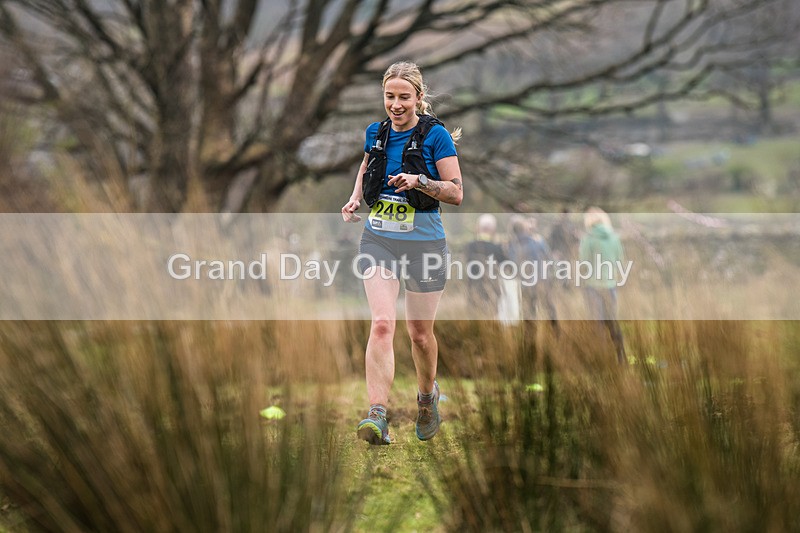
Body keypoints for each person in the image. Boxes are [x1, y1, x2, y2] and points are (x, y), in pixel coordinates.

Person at [341, 61, 463, 445]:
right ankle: (377, 413)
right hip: (379, 239)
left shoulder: (436, 136)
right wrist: (356, 197)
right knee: (381, 323)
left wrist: (420, 181)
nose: (395, 104)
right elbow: (367, 164)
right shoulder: (375, 132)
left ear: (418, 98)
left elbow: (457, 192)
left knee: (420, 334)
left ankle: (427, 397)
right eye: (389, 96)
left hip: (425, 243)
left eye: (403, 97)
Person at [579, 207, 626, 364]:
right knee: (612, 321)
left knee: (597, 324)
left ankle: (601, 359)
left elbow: (584, 264)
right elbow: (620, 260)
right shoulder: (614, 237)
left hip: (593, 286)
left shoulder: (588, 239)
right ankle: (621, 357)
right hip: (610, 285)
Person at [464, 214, 507, 314]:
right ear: (493, 230)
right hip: (492, 292)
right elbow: (507, 267)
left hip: (473, 289)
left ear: (478, 228)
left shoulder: (469, 246)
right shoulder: (497, 248)